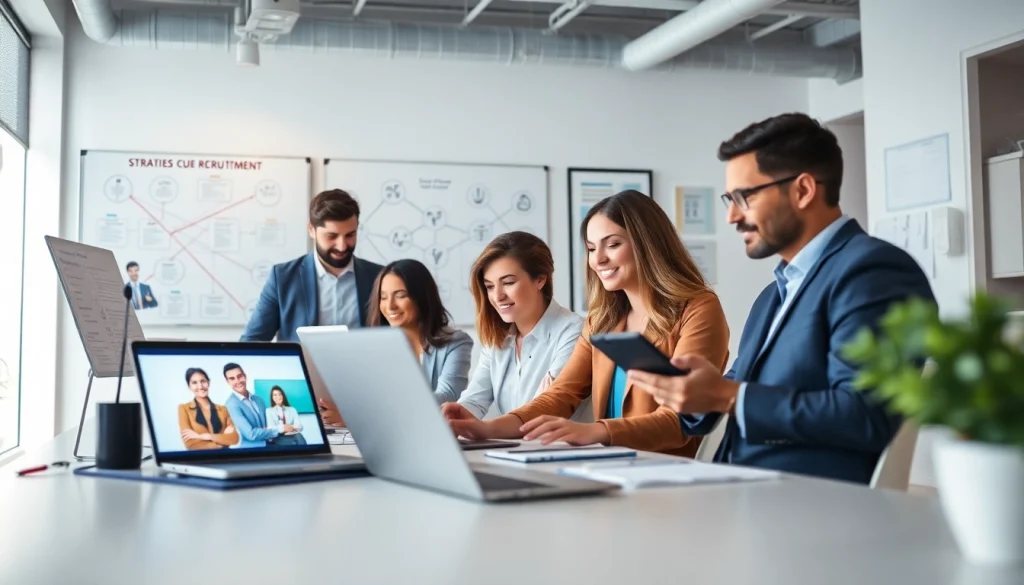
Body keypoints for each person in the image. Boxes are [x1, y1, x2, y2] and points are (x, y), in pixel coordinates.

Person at [627, 113, 935, 484]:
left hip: (810, 504)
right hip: (738, 490)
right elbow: (730, 395)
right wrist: (689, 391)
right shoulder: (772, 296)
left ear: (803, 190)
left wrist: (725, 395)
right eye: (730, 198)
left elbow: (864, 416)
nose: (731, 216)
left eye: (745, 197)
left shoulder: (873, 271)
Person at [445, 191, 730, 457]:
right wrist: (487, 429)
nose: (599, 259)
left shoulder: (698, 309)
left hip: (662, 472)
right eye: (592, 249)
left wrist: (596, 432)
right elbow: (561, 395)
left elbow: (679, 419)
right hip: (610, 466)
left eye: (613, 244)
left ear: (648, 245)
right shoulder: (602, 319)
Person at [440, 231, 588, 423]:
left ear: (540, 279)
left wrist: (487, 429)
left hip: (561, 449)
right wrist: (457, 413)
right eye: (490, 286)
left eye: (508, 283)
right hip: (516, 449)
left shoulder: (573, 331)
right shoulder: (498, 337)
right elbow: (475, 400)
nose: (497, 296)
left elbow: (547, 408)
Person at [319, 259, 473, 424]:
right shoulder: (376, 347)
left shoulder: (456, 342)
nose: (390, 306)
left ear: (421, 297)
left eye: (400, 295)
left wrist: (360, 415)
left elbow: (447, 397)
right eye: (383, 297)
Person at [241, 189, 384, 342]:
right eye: (332, 236)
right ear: (311, 230)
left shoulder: (379, 276)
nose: (342, 246)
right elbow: (252, 341)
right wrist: (232, 364)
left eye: (350, 235)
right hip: (303, 366)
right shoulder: (283, 278)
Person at [223, 363, 292, 448]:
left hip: (270, 446)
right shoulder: (231, 405)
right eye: (232, 378)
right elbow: (251, 434)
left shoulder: (259, 400)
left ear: (245, 376)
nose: (238, 381)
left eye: (240, 376)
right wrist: (279, 429)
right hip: (251, 453)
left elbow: (269, 425)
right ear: (228, 382)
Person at [177, 367, 238, 450]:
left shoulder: (223, 409)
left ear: (208, 382)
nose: (200, 386)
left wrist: (204, 437)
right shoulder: (184, 409)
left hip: (226, 459)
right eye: (194, 383)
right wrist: (220, 444)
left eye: (203, 381)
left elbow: (234, 438)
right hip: (201, 460)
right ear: (189, 386)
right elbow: (190, 444)